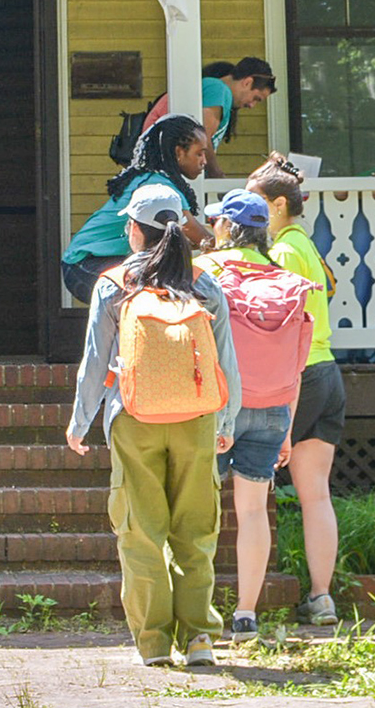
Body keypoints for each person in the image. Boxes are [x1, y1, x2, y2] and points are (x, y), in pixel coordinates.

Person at [65, 183, 241, 669]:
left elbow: (95, 362)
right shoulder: (205, 284)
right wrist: (227, 419)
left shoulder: (113, 283)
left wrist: (80, 422)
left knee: (140, 530)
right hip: (198, 417)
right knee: (196, 528)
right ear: (181, 226)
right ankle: (201, 638)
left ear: (134, 231)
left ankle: (155, 644)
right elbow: (227, 360)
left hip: (133, 416)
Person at [195, 189, 316, 643]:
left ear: (226, 227)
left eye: (217, 222)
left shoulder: (206, 272)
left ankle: (197, 612)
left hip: (218, 407)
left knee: (200, 513)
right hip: (271, 407)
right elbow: (298, 362)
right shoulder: (283, 278)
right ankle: (246, 614)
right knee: (252, 512)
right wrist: (286, 424)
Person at [250, 158, 344, 627]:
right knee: (316, 495)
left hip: (299, 374)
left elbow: (282, 323)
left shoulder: (285, 250)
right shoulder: (308, 244)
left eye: (257, 202)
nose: (250, 210)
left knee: (254, 487)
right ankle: (321, 597)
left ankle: (250, 597)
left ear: (279, 204)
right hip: (329, 373)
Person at [61, 115, 206, 305]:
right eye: (199, 154)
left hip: (98, 261)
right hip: (85, 264)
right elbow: (200, 237)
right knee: (151, 295)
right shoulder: (160, 187)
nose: (205, 161)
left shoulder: (154, 179)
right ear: (179, 152)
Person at [143, 57, 277, 175]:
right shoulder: (218, 89)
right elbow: (202, 136)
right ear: (247, 82)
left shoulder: (213, 87)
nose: (252, 105)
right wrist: (217, 176)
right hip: (164, 168)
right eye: (256, 98)